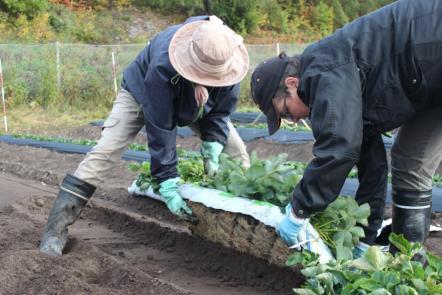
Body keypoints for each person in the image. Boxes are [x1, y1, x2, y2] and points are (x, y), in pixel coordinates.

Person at [40, 15, 251, 256]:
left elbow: (221, 111)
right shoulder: (163, 64)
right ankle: (54, 234)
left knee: (235, 152)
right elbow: (161, 125)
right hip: (141, 94)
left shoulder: (228, 59)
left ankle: (236, 230)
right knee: (105, 152)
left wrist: (213, 143)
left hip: (196, 101)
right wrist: (167, 178)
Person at [250, 0, 442, 257]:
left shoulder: (324, 71)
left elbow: (340, 148)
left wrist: (299, 211)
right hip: (429, 80)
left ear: (292, 83)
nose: (293, 120)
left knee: (410, 161)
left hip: (433, 43)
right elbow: (371, 163)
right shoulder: (336, 84)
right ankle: (407, 262)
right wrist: (366, 236)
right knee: (410, 161)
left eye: (285, 111)